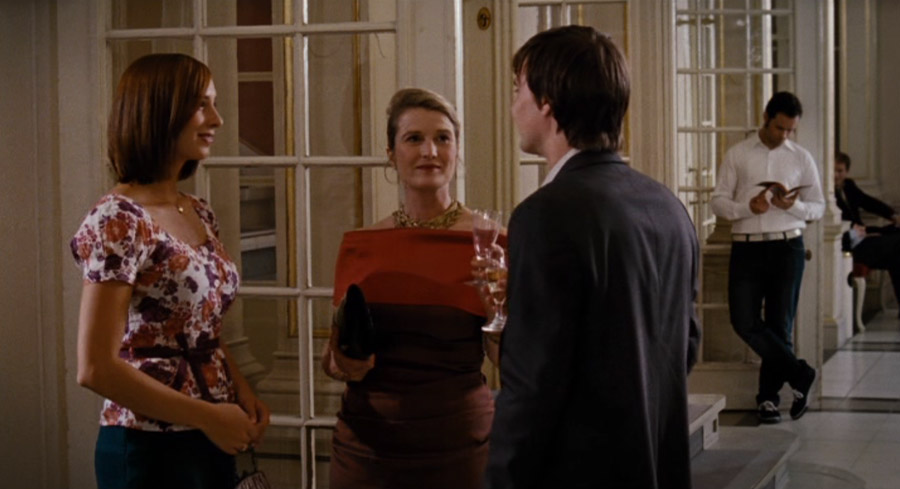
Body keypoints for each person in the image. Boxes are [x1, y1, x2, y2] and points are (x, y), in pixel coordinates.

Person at [484, 26, 701, 489]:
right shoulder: (668, 207)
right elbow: (683, 349)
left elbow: (532, 387)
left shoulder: (544, 215)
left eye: (518, 89)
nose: (514, 105)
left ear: (547, 102)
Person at [71, 53, 270, 489]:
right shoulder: (118, 219)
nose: (217, 119)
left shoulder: (197, 210)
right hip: (149, 444)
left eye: (214, 103)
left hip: (210, 434)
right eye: (201, 105)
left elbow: (199, 327)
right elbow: (95, 367)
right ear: (159, 110)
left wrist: (239, 389)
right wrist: (209, 417)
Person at [321, 87, 503, 489]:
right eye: (414, 138)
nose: (430, 152)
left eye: (443, 138)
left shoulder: (490, 243)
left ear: (457, 150)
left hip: (457, 445)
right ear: (391, 153)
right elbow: (332, 360)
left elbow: (509, 361)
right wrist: (344, 364)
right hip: (366, 447)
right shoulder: (362, 246)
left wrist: (497, 312)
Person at [711, 91, 824, 424]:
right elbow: (718, 201)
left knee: (779, 325)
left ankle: (768, 400)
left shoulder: (801, 158)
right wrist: (748, 207)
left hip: (787, 247)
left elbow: (818, 207)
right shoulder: (738, 154)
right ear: (766, 118)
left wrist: (794, 206)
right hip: (747, 246)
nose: (784, 135)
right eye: (779, 128)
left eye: (790, 130)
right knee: (743, 320)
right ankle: (800, 374)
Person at [834, 151, 900, 316]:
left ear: (846, 172)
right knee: (896, 250)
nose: (836, 175)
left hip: (862, 234)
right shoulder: (827, 192)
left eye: (840, 171)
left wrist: (892, 215)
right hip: (849, 243)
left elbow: (868, 202)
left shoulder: (848, 186)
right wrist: (859, 232)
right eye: (833, 170)